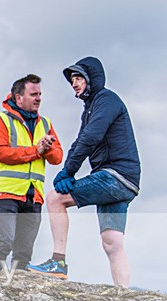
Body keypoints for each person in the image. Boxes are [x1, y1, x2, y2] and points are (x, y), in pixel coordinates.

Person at [28, 57, 140, 287]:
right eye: (72, 80)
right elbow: (81, 140)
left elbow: (91, 137)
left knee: (54, 199)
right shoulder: (92, 107)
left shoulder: (106, 100)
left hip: (115, 176)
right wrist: (68, 171)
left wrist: (68, 172)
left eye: (79, 78)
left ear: (92, 78)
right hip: (125, 181)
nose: (74, 84)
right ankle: (124, 296)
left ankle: (57, 263)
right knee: (112, 242)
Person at [0, 74, 63, 272]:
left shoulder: (45, 124)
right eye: (33, 94)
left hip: (33, 194)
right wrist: (35, 151)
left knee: (25, 251)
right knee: (3, 242)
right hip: (5, 191)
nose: (38, 98)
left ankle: (18, 294)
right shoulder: (0, 121)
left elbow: (57, 157)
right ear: (19, 97)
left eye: (40, 94)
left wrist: (48, 148)